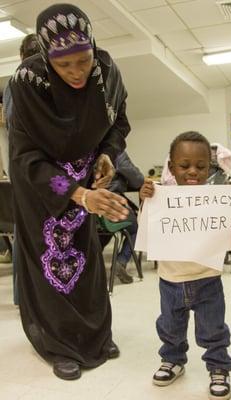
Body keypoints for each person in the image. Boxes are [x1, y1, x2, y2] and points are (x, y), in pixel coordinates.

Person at [9, 3, 130, 380]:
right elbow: (28, 159)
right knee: (51, 267)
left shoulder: (106, 71)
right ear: (47, 58)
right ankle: (58, 344)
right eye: (64, 65)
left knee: (88, 260)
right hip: (43, 188)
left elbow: (119, 121)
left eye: (83, 59)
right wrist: (78, 194)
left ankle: (95, 336)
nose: (76, 72)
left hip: (87, 180)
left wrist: (107, 155)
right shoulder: (27, 84)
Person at [139, 131, 231, 400]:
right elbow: (147, 228)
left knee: (213, 329)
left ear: (209, 168)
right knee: (170, 326)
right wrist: (145, 199)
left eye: (201, 167)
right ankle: (173, 360)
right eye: (184, 166)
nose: (192, 172)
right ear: (171, 167)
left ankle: (219, 367)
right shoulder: (159, 196)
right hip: (170, 281)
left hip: (208, 279)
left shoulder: (218, 199)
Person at [2, 33, 41, 305]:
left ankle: (22, 297)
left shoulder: (13, 84)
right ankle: (28, 298)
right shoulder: (26, 81)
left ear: (19, 54)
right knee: (30, 234)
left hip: (21, 167)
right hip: (34, 168)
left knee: (23, 233)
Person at [101, 151, 144, 283]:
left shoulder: (85, 150)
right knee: (138, 228)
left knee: (104, 231)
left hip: (93, 212)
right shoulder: (115, 152)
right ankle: (121, 261)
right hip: (111, 206)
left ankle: (94, 263)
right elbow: (137, 179)